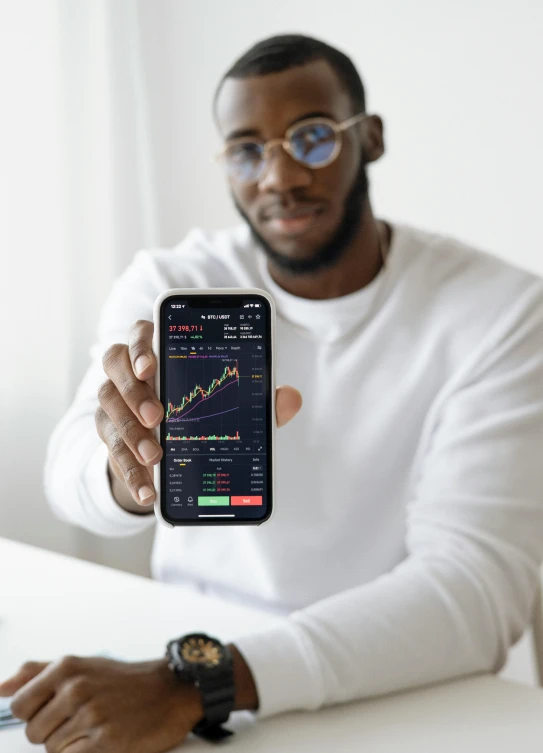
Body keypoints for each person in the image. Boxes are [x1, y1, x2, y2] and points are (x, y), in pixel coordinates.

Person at [3, 32, 543, 752]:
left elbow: (474, 590)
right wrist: (125, 471)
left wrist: (197, 683)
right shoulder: (173, 283)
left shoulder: (500, 311)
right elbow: (68, 475)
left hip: (395, 678)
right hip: (174, 646)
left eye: (312, 138)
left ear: (370, 138)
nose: (278, 177)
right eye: (247, 149)